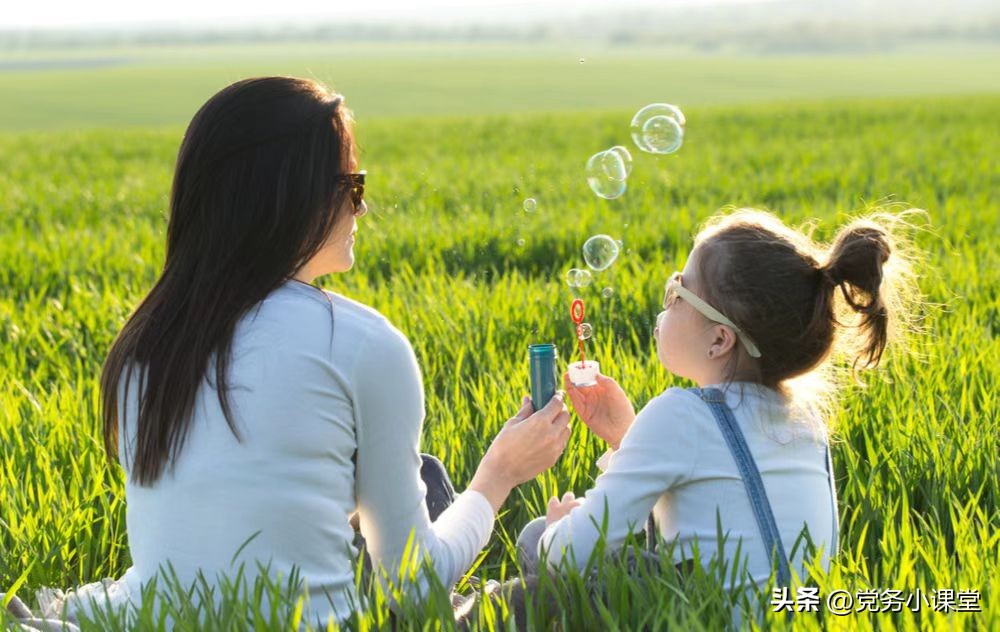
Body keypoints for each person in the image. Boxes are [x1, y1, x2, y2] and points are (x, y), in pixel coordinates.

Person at [7, 76, 571, 631]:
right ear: (292, 195)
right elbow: (414, 589)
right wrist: (498, 476)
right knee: (553, 591)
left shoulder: (147, 344)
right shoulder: (364, 345)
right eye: (352, 186)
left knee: (423, 476)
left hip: (154, 617)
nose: (362, 209)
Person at [517, 208, 922, 623]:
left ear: (719, 339)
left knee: (538, 540)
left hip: (705, 621)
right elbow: (706, 512)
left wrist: (555, 532)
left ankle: (478, 607)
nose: (665, 303)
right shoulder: (806, 420)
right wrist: (627, 438)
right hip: (797, 619)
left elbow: (568, 555)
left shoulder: (680, 414)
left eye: (677, 292)